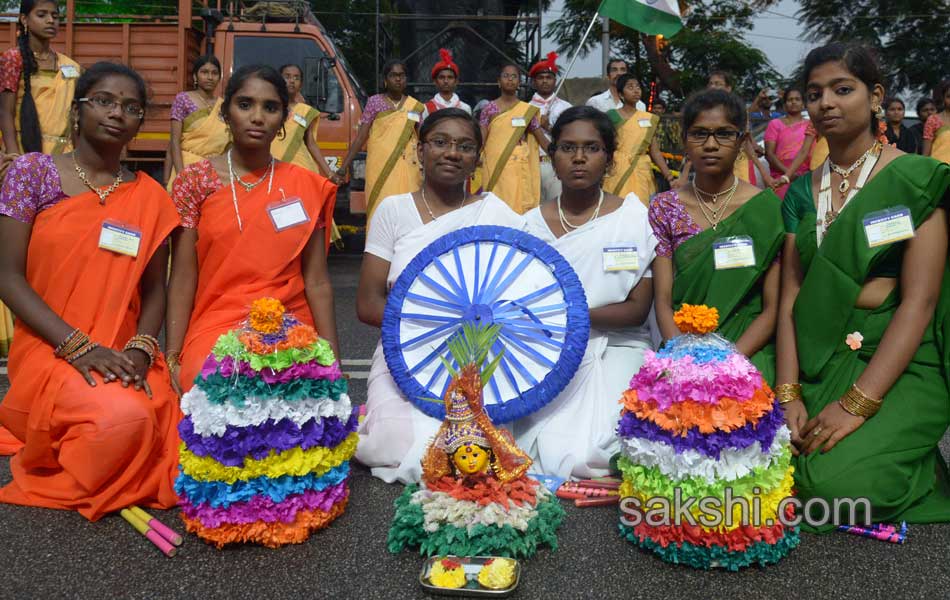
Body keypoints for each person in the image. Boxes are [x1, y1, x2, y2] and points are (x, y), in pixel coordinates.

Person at [776, 43, 950, 532]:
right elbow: (792, 296)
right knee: (753, 455)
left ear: (875, 97)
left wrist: (857, 404)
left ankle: (917, 467)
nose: (825, 102)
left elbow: (920, 302)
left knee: (827, 487)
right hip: (817, 348)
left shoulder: (917, 179)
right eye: (814, 93)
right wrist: (788, 393)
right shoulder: (802, 191)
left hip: (899, 355)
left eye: (842, 89)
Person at [0, 62, 180, 520]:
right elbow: (7, 275)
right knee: (125, 419)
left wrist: (141, 348)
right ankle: (65, 450)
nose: (117, 112)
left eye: (131, 107)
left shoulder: (150, 195)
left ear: (140, 124)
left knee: (179, 426)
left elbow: (156, 290)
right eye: (104, 101)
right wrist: (77, 346)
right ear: (78, 111)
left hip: (123, 349)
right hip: (50, 349)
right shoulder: (32, 174)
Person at [355, 108, 525, 484]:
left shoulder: (494, 213)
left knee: (477, 446)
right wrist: (424, 331)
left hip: (473, 353)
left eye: (465, 146)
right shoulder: (393, 210)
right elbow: (367, 304)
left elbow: (524, 286)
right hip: (404, 348)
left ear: (477, 160)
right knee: (389, 444)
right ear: (420, 149)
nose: (452, 153)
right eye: (441, 142)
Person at [165, 65, 339, 393]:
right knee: (205, 384)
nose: (257, 117)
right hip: (217, 322)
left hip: (290, 323)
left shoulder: (305, 186)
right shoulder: (195, 181)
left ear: (283, 121)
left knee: (307, 393)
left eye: (270, 108)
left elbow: (316, 280)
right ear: (225, 113)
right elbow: (183, 277)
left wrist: (333, 360)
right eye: (245, 104)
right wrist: (173, 355)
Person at [514, 106, 657, 478]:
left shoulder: (635, 219)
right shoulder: (527, 226)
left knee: (591, 448)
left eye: (592, 148)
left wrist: (566, 315)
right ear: (553, 158)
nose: (579, 158)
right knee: (516, 436)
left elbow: (637, 310)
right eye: (567, 148)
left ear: (609, 160)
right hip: (545, 348)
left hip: (617, 345)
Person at [650, 89, 783, 384]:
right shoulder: (664, 207)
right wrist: (683, 361)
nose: (711, 145)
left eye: (724, 134)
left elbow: (772, 307)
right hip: (681, 348)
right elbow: (663, 300)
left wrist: (729, 362)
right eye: (699, 134)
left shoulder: (767, 209)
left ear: (741, 140)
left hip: (748, 349)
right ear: (685, 140)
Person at [337, 59, 422, 220]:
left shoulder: (415, 106)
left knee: (408, 212)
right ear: (385, 79)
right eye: (393, 75)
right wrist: (343, 168)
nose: (398, 79)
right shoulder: (374, 102)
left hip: (408, 168)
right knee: (380, 208)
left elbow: (421, 140)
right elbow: (362, 136)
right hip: (379, 165)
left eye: (402, 75)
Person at [0, 0, 80, 157]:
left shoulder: (70, 66)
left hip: (63, 155)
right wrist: (13, 155)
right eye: (42, 15)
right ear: (24, 20)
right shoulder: (13, 59)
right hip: (23, 151)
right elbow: (5, 112)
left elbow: (75, 118)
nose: (51, 20)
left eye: (55, 16)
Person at [479, 63, 550, 214]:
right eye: (506, 76)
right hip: (496, 167)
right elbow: (481, 140)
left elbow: (541, 138)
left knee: (520, 209)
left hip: (519, 169)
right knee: (497, 209)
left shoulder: (527, 111)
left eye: (514, 77)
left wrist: (557, 153)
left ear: (519, 82)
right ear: (498, 81)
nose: (510, 80)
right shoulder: (489, 109)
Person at [603, 74, 674, 205]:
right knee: (617, 209)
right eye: (630, 87)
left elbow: (655, 151)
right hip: (617, 168)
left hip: (641, 170)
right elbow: (604, 146)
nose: (636, 90)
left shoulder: (648, 118)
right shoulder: (612, 116)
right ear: (621, 94)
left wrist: (668, 176)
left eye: (638, 87)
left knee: (640, 210)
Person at [166, 55, 227, 190]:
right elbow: (174, 141)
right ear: (195, 77)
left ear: (219, 77)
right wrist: (182, 175)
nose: (210, 77)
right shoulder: (183, 99)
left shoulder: (223, 105)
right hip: (187, 166)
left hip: (214, 170)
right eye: (204, 72)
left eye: (214, 73)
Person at [528, 52, 572, 203]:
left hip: (556, 164)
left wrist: (548, 127)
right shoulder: (525, 108)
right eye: (540, 78)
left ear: (555, 81)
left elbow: (571, 137)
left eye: (549, 77)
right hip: (530, 164)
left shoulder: (566, 108)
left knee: (557, 206)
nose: (545, 81)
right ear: (533, 82)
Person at [764, 87, 812, 198]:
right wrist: (789, 173)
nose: (793, 102)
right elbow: (769, 154)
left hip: (807, 174)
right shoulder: (775, 124)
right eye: (790, 100)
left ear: (803, 104)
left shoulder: (811, 125)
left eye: (797, 99)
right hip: (781, 174)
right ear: (785, 105)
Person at [422, 48, 471, 120]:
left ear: (456, 81)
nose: (446, 81)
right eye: (441, 77)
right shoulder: (426, 108)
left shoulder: (465, 108)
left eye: (450, 77)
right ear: (435, 81)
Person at [922, 80, 950, 163]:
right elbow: (926, 154)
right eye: (949, 96)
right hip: (939, 169)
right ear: (943, 98)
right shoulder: (933, 120)